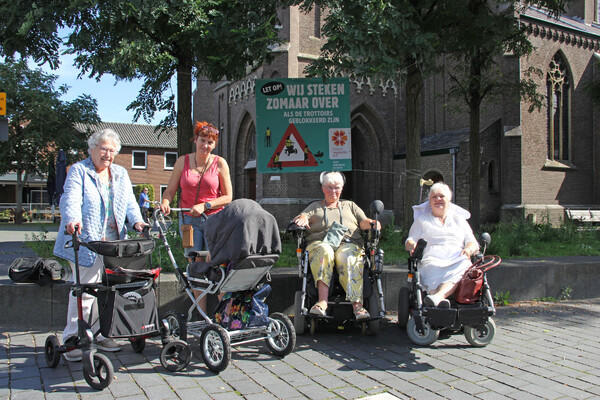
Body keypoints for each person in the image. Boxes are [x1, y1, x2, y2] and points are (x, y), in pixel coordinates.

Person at [53, 128, 147, 362]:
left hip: (114, 245)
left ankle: (100, 334)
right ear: (92, 148)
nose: (107, 154)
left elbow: (130, 203)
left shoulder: (120, 173)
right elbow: (71, 198)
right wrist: (72, 219)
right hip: (87, 243)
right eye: (103, 149)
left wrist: (137, 221)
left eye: (112, 150)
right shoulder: (79, 171)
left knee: (108, 291)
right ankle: (74, 339)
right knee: (84, 292)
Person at [160, 121, 232, 308]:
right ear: (195, 140)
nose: (205, 146)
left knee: (216, 265)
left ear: (214, 144)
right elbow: (169, 191)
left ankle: (224, 314)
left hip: (214, 220)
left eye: (210, 142)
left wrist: (205, 205)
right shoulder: (182, 162)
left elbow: (228, 197)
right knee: (195, 267)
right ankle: (201, 315)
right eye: (202, 140)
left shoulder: (220, 163)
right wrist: (166, 202)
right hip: (188, 222)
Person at [293, 171, 381, 320]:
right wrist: (301, 217)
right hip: (320, 244)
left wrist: (373, 223)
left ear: (341, 189)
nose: (333, 191)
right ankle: (322, 302)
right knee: (324, 251)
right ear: (323, 188)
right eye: (329, 187)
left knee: (349, 255)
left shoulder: (350, 206)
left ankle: (357, 305)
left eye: (337, 187)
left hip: (348, 244)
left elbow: (363, 221)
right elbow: (301, 218)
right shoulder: (314, 207)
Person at [404, 181, 479, 308]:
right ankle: (438, 299)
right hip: (431, 258)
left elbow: (472, 242)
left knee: (465, 264)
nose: (438, 199)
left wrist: (468, 250)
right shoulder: (421, 220)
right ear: (430, 202)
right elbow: (410, 240)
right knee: (430, 267)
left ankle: (437, 297)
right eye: (434, 197)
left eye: (442, 196)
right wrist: (412, 245)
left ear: (449, 200)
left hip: (456, 258)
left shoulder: (459, 220)